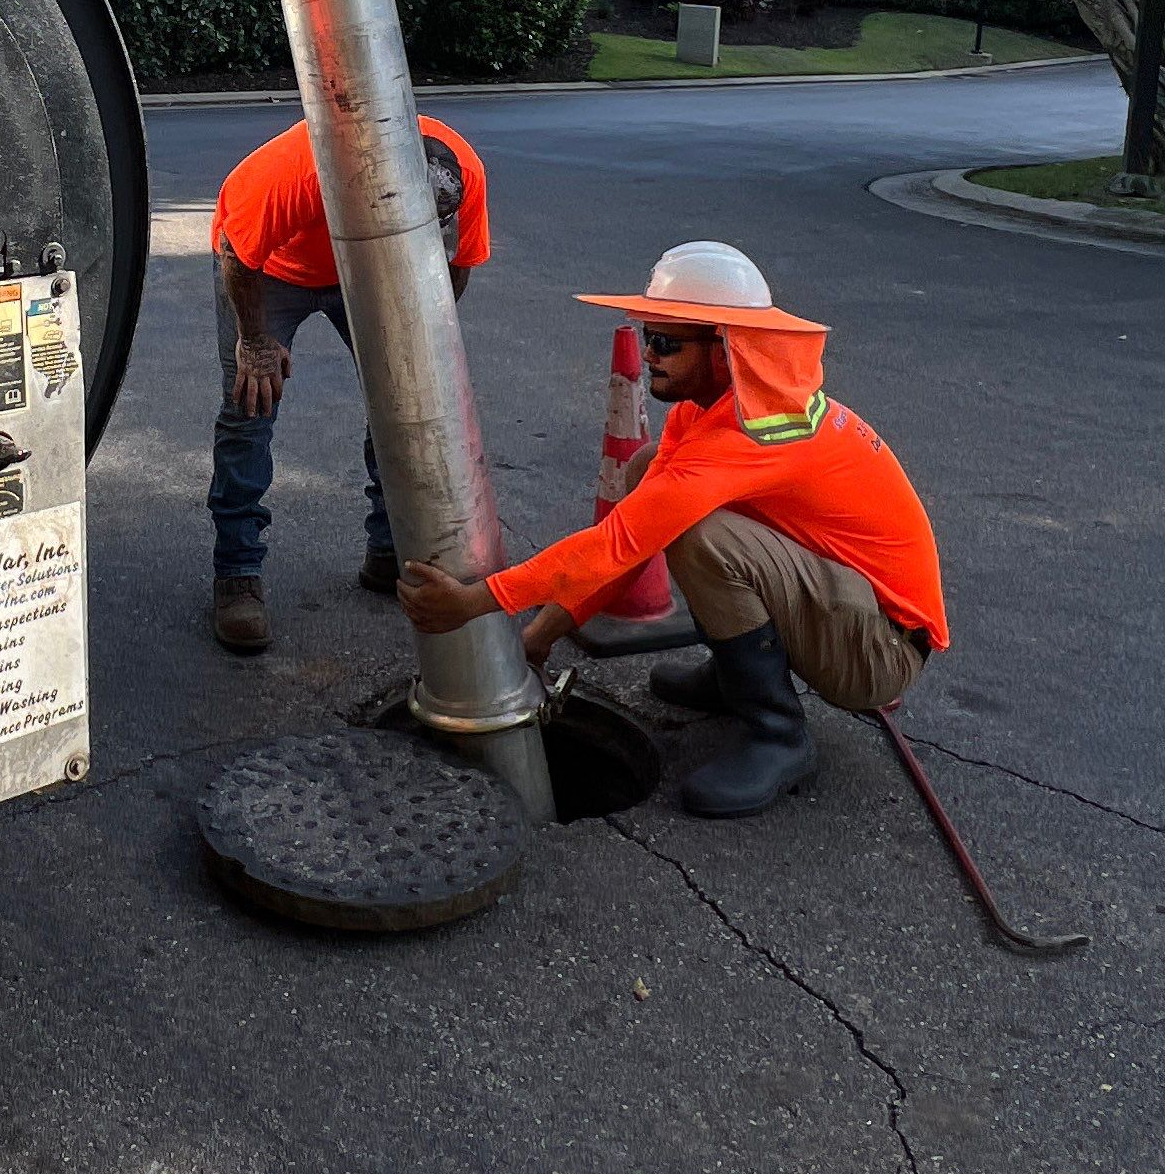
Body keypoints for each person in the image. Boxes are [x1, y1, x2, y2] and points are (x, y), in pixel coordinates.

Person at [396, 240, 947, 815]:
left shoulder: (749, 437)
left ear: (725, 351)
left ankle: (776, 732)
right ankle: (736, 679)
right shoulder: (713, 412)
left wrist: (475, 602)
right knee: (649, 477)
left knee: (701, 535)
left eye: (665, 342)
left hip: (879, 651)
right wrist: (540, 638)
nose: (649, 355)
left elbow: (619, 543)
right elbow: (629, 544)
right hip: (845, 608)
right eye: (646, 337)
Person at [207, 113, 490, 654]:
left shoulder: (466, 174)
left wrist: (415, 345)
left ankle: (391, 549)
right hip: (266, 271)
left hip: (365, 265)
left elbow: (456, 266)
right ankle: (236, 572)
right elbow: (237, 256)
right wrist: (258, 343)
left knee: (404, 401)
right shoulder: (293, 175)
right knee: (250, 408)